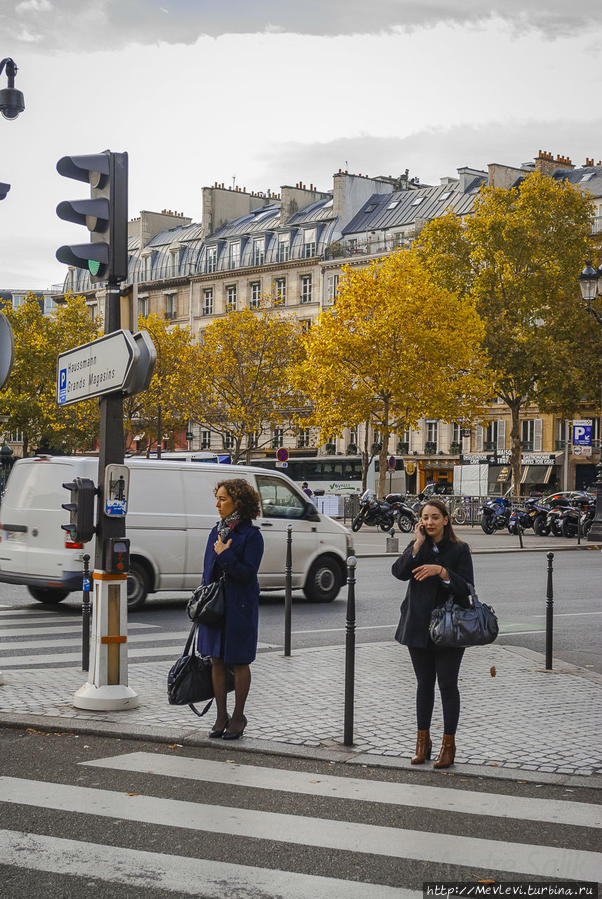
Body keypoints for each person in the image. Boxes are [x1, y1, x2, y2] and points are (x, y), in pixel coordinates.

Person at [391, 498, 473, 768]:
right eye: (425, 517)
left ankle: (448, 746)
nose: (429, 522)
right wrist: (415, 544)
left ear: (446, 520)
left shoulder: (460, 549)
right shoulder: (418, 546)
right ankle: (422, 744)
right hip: (418, 625)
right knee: (423, 685)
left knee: (447, 685)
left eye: (435, 517)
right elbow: (399, 572)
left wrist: (442, 572)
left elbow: (467, 588)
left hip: (449, 628)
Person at [197, 478, 264, 740]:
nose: (218, 504)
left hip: (240, 605)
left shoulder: (251, 535)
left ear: (238, 502)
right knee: (215, 659)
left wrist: (225, 554)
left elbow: (247, 574)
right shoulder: (216, 531)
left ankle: (238, 716)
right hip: (216, 606)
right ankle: (220, 715)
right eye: (218, 498)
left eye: (223, 499)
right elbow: (207, 572)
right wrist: (203, 600)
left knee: (238, 661)